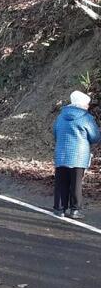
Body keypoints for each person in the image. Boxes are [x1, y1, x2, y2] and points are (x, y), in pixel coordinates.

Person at [52, 90, 100, 219]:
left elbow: (55, 132)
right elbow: (95, 137)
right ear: (83, 104)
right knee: (76, 183)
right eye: (87, 104)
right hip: (79, 155)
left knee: (61, 182)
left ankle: (59, 209)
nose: (88, 106)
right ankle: (75, 210)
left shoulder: (60, 116)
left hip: (61, 153)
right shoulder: (86, 118)